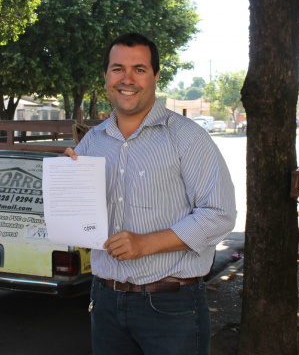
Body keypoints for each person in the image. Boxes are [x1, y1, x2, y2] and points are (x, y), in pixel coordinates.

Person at [64, 32, 236, 355]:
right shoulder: (91, 142)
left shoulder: (187, 137)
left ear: (156, 77)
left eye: (139, 69)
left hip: (172, 308)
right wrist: (65, 181)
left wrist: (145, 244)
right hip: (105, 302)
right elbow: (81, 221)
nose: (127, 79)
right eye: (117, 69)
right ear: (105, 77)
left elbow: (220, 213)